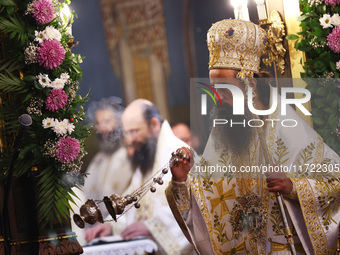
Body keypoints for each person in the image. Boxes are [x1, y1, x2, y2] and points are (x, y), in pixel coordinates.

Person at [166, 19, 340, 254]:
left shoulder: (288, 129)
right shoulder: (224, 133)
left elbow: (334, 181)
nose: (218, 98)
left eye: (225, 89)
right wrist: (180, 181)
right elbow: (205, 202)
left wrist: (293, 187)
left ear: (251, 84)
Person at [85, 99, 194, 255]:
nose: (130, 139)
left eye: (134, 131)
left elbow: (194, 208)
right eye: (127, 132)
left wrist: (152, 227)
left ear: (154, 124)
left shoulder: (181, 155)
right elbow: (133, 202)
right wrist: (112, 225)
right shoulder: (148, 159)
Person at [83, 97, 133, 218]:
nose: (101, 128)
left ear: (119, 122)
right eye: (98, 123)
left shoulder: (130, 155)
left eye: (106, 122)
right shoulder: (98, 159)